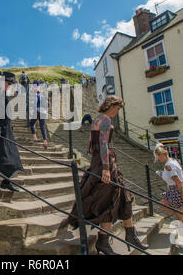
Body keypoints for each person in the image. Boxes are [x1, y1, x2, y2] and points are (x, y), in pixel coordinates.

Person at [59, 96, 148, 255]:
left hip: (98, 162)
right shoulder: (105, 119)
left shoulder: (97, 118)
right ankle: (109, 241)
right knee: (114, 200)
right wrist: (106, 168)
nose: (118, 111)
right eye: (118, 108)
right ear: (110, 105)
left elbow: (93, 144)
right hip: (104, 165)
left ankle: (126, 235)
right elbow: (103, 144)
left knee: (118, 198)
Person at [154, 143, 183, 253]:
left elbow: (179, 182)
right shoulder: (173, 161)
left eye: (158, 156)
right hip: (175, 189)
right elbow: (179, 174)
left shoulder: (168, 166)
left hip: (179, 190)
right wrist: (162, 174)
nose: (158, 159)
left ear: (163, 155)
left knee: (182, 219)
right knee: (164, 203)